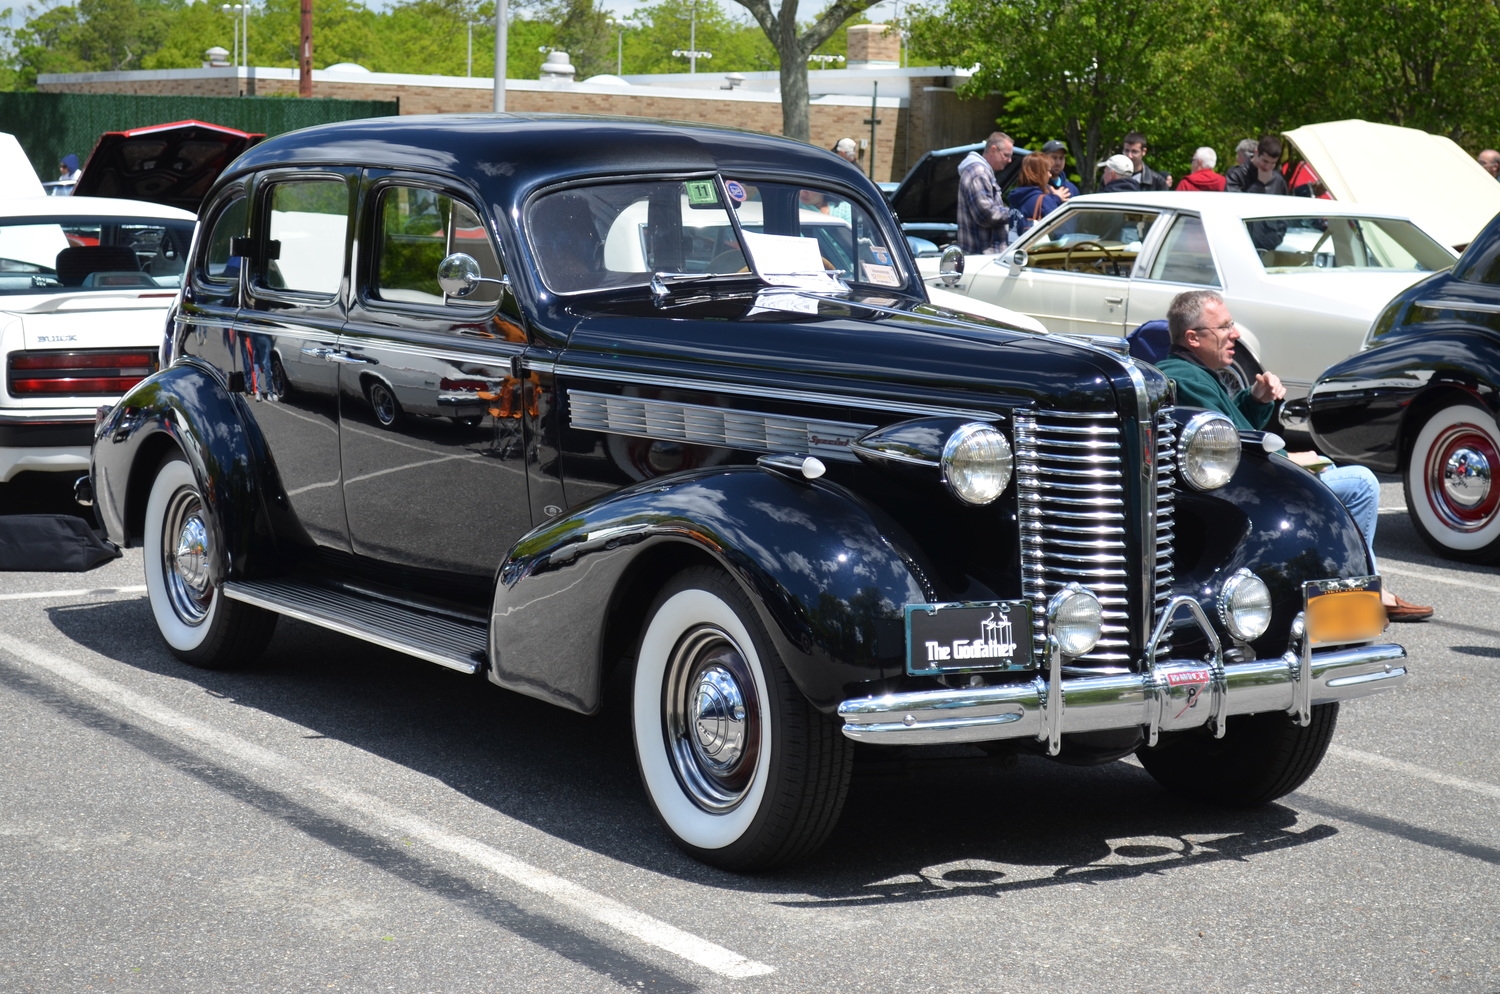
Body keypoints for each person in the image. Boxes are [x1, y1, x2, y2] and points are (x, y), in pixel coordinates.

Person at [1154, 289, 1432, 622]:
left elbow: (1228, 424)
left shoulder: (1190, 373)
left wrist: (1255, 400)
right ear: (1193, 338)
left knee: (1332, 469)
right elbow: (1227, 446)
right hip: (1240, 489)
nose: (1236, 334)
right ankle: (1362, 592)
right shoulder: (1186, 379)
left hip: (1240, 482)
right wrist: (1288, 460)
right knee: (1361, 483)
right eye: (1225, 326)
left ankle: (1348, 588)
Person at [956, 132, 1014, 254]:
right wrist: (1014, 213)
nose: (1010, 160)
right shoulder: (979, 173)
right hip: (982, 258)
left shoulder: (980, 171)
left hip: (982, 257)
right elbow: (985, 214)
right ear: (993, 150)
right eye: (1006, 155)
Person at [1008, 152, 1064, 233]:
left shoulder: (1015, 198)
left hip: (1016, 245)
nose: (1050, 175)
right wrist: (1057, 198)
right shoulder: (1044, 201)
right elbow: (1059, 231)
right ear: (1039, 173)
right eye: (1048, 171)